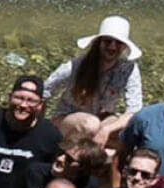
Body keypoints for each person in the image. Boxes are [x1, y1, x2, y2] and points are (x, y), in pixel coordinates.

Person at [44, 15, 143, 145]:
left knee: (127, 132)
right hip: (67, 118)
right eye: (108, 41)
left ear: (124, 46)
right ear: (99, 42)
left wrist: (107, 130)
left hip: (101, 119)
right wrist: (39, 125)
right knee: (90, 125)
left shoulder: (129, 69)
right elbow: (45, 90)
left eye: (118, 43)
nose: (112, 47)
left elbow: (134, 110)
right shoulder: (75, 65)